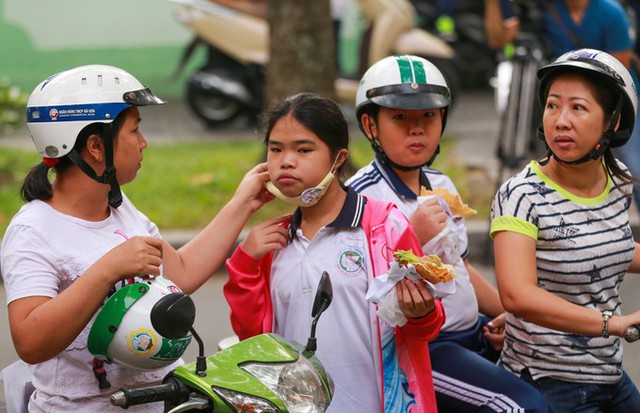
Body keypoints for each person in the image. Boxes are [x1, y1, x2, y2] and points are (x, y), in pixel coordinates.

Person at [1, 64, 272, 412]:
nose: (144, 143)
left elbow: (182, 272)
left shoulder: (118, 206)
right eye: (135, 131)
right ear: (97, 146)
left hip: (156, 402)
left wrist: (244, 202)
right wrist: (107, 270)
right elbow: (30, 341)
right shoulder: (34, 230)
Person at [346, 54, 549, 412]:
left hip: (475, 333)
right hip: (424, 346)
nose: (417, 129)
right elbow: (360, 302)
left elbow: (462, 269)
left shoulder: (440, 184)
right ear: (370, 124)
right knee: (520, 407)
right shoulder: (358, 198)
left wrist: (511, 315)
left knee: (560, 378)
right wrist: (413, 237)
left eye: (429, 115)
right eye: (400, 118)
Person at [223, 92, 446, 412]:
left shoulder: (384, 225)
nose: (286, 160)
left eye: (303, 149)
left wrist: (421, 312)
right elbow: (253, 338)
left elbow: (426, 327)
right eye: (275, 149)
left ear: (338, 159)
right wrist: (245, 261)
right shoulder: (271, 243)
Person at [490, 48, 640, 412]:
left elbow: (611, 245)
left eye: (578, 108)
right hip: (548, 380)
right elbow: (517, 296)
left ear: (613, 122)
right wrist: (615, 324)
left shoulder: (617, 179)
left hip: (607, 370)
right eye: (553, 105)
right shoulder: (521, 194)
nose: (560, 121)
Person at [486, 0, 640, 214]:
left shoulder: (610, 12)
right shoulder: (545, 9)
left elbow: (617, 69)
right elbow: (499, 39)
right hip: (567, 98)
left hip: (613, 102)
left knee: (635, 171)